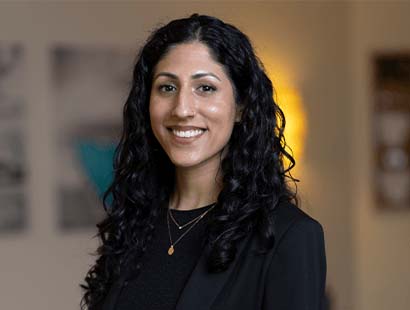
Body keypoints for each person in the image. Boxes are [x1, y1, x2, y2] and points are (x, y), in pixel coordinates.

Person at [80, 13, 327, 310]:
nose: (182, 109)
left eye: (205, 88)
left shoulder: (289, 236)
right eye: (167, 87)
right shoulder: (134, 221)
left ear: (242, 106)